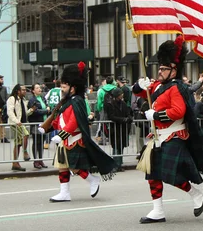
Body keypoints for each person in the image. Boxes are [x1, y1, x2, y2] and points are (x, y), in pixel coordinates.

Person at [134, 36, 203, 223]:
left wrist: (155, 116)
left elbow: (178, 111)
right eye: (160, 68)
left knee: (169, 174)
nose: (160, 71)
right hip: (158, 137)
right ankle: (158, 210)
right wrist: (139, 85)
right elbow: (141, 92)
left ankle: (196, 194)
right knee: (153, 175)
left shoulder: (176, 88)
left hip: (173, 135)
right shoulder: (159, 85)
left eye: (164, 68)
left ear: (174, 70)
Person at [39, 62, 118, 202]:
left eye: (64, 87)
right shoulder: (68, 100)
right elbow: (60, 119)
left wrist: (60, 135)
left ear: (73, 87)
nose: (62, 89)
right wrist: (47, 127)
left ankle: (93, 180)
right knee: (62, 167)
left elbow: (74, 122)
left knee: (74, 167)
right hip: (66, 139)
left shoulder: (77, 101)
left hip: (74, 139)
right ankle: (64, 193)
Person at [7, 84, 34, 171]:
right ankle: (25, 152)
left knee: (18, 144)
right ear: (18, 91)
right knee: (25, 134)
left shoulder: (23, 100)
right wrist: (16, 121)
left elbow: (23, 113)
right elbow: (10, 112)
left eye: (25, 90)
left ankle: (15, 163)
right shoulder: (12, 99)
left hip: (21, 122)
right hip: (15, 123)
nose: (25, 91)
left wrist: (31, 110)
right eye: (23, 90)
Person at [105, 87, 132, 170]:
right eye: (120, 94)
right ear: (117, 95)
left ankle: (119, 164)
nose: (122, 95)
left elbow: (128, 112)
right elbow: (111, 116)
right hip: (115, 128)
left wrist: (129, 118)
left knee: (121, 146)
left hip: (123, 129)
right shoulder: (110, 104)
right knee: (116, 146)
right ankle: (115, 165)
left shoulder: (123, 103)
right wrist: (122, 120)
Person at [28, 84, 50, 169]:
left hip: (44, 123)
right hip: (36, 123)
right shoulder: (32, 100)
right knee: (36, 142)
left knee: (41, 142)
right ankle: (36, 160)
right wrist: (45, 111)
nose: (39, 89)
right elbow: (35, 112)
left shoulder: (43, 98)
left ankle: (41, 159)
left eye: (40, 88)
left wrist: (47, 110)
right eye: (37, 88)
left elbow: (48, 108)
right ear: (33, 91)